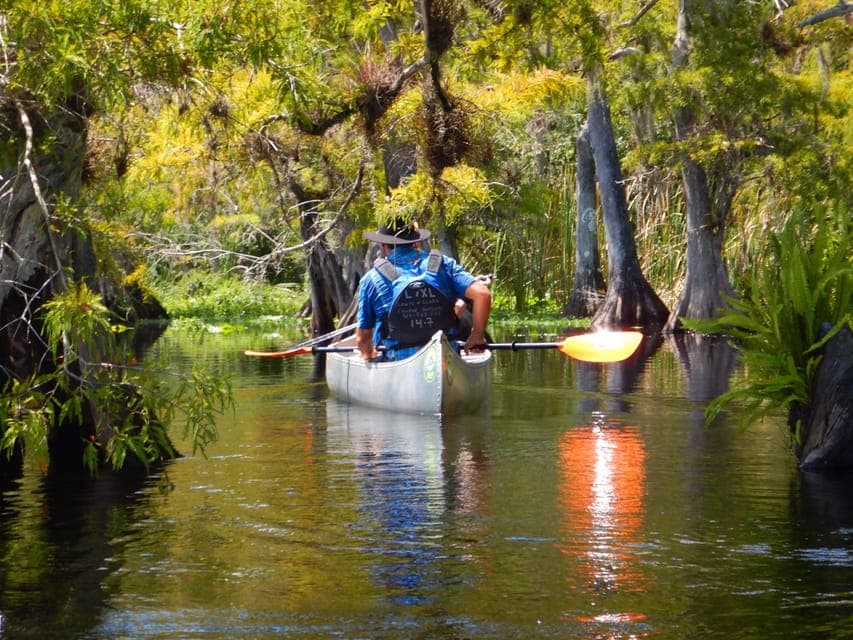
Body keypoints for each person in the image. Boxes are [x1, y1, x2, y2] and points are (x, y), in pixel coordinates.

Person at [356, 218, 492, 361]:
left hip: (399, 358)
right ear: (415, 241)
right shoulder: (444, 264)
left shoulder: (370, 279)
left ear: (383, 245)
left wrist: (368, 353)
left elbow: (363, 337)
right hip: (446, 354)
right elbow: (482, 294)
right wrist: (477, 336)